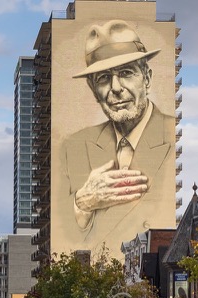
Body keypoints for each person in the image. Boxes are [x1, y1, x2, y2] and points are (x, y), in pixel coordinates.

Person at [58, 19, 176, 248]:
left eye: (126, 72)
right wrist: (81, 204)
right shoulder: (74, 147)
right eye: (103, 78)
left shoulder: (173, 136)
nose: (116, 87)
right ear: (94, 90)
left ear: (147, 79)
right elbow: (67, 239)